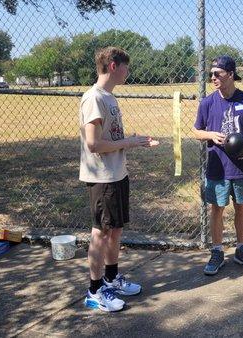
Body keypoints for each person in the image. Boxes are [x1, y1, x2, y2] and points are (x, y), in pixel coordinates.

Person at [79, 46, 158, 312]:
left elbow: (110, 139)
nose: (128, 72)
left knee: (115, 230)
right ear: (114, 66)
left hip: (117, 174)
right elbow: (93, 144)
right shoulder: (94, 98)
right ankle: (94, 290)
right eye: (126, 67)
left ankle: (111, 279)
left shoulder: (110, 98)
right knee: (100, 233)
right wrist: (130, 142)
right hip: (103, 178)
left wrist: (131, 141)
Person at [192, 55, 243, 275]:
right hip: (217, 167)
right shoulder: (207, 102)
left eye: (217, 74)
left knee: (241, 207)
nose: (213, 78)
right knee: (217, 209)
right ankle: (217, 252)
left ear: (231, 75)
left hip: (241, 166)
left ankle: (242, 249)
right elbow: (195, 131)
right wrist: (211, 135)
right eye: (211, 74)